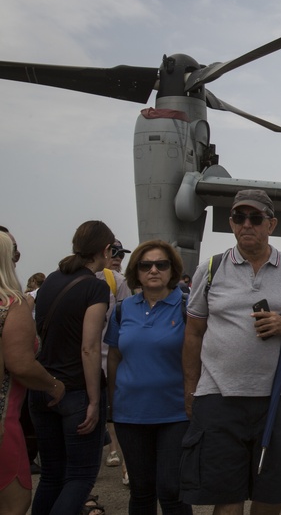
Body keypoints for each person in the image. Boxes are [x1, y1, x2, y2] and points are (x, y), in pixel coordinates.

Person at [181, 189, 281, 514]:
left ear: (271, 224)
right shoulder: (212, 268)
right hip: (219, 398)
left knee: (270, 497)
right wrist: (190, 389)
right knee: (226, 496)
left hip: (275, 399)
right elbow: (193, 333)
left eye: (255, 218)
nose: (246, 224)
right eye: (238, 217)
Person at [30, 220, 115, 515]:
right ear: (105, 250)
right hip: (75, 391)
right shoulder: (95, 288)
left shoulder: (51, 280)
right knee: (80, 476)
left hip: (42, 386)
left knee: (52, 475)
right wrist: (94, 399)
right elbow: (89, 347)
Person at [105, 240, 192, 514]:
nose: (153, 270)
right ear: (137, 271)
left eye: (161, 264)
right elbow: (115, 357)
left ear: (172, 269)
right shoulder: (123, 309)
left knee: (172, 490)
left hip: (176, 414)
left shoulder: (187, 307)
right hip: (130, 415)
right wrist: (112, 403)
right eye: (146, 265)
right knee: (141, 492)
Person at [1, 231, 66, 514]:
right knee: (15, 504)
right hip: (3, 423)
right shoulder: (11, 307)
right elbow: (21, 365)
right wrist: (53, 384)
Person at [98, 239, 132, 484]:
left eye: (122, 253)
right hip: (94, 358)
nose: (119, 257)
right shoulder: (102, 279)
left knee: (115, 408)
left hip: (111, 355)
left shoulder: (120, 282)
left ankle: (117, 457)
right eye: (114, 252)